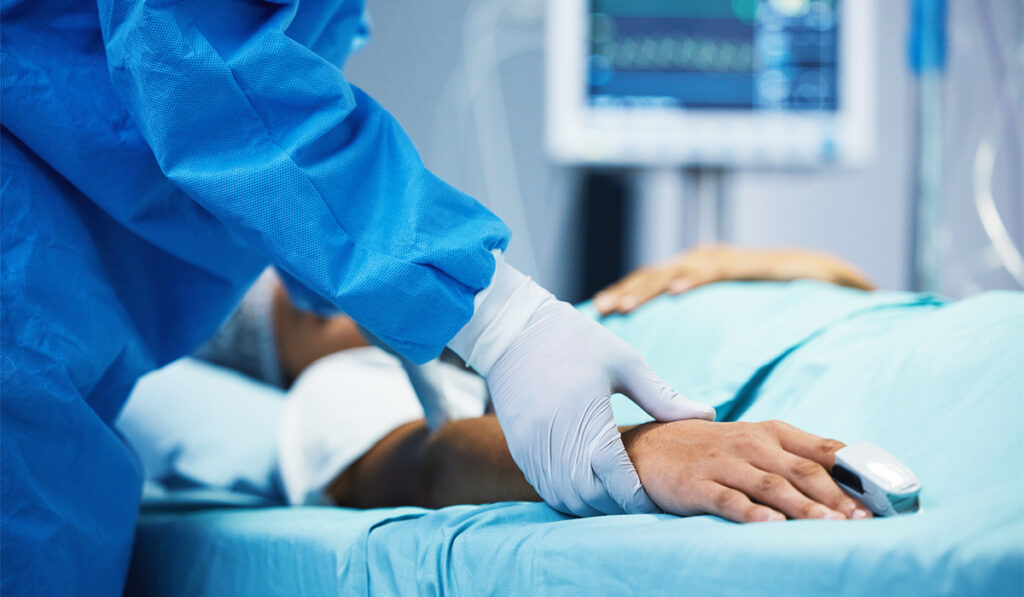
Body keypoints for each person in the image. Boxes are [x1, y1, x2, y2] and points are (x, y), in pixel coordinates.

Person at [2, 1, 708, 594]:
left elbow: (242, 114)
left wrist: (436, 305)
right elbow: (201, 65)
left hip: (94, 282)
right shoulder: (328, 392)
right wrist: (497, 321)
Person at [159, 245, 874, 522]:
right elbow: (429, 463)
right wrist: (633, 450)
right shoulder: (341, 386)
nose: (365, 295)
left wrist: (793, 267)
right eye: (314, 313)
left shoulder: (551, 333)